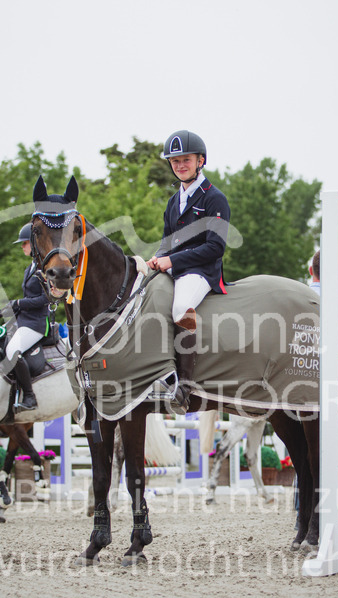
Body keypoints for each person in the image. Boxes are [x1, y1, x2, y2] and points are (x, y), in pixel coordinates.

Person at [146, 130, 230, 410]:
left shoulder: (214, 199)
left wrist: (173, 261)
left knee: (181, 306)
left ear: (200, 161)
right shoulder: (173, 202)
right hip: (177, 269)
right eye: (175, 161)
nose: (180, 166)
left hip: (201, 272)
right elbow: (167, 243)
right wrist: (156, 258)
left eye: (186, 160)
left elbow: (215, 247)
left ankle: (185, 382)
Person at [6, 226, 50, 410]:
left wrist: (18, 303)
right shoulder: (29, 268)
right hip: (24, 320)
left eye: (24, 244)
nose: (22, 247)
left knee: (12, 352)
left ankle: (30, 397)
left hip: (37, 323)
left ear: (33, 243)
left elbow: (45, 299)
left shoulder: (44, 268)